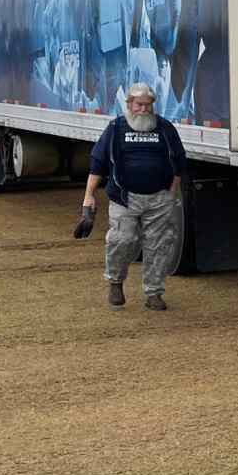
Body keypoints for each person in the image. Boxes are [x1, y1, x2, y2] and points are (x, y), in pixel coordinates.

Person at [82, 82, 188, 310]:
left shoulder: (165, 128)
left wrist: (171, 193)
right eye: (139, 104)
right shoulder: (116, 128)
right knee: (122, 240)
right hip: (125, 198)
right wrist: (89, 196)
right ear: (129, 104)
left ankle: (154, 293)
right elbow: (98, 164)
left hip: (159, 199)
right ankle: (115, 282)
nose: (143, 110)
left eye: (148, 105)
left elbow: (179, 164)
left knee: (159, 245)